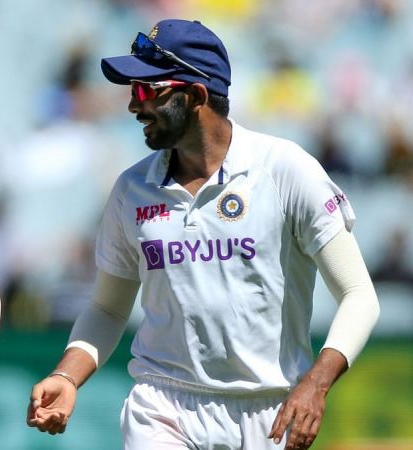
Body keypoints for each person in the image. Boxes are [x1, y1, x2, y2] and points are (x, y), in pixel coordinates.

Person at [26, 19, 379, 450]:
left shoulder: (286, 170)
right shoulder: (130, 189)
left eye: (146, 91)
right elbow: (106, 307)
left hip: (268, 411)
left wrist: (317, 383)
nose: (134, 106)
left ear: (193, 95)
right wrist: (67, 375)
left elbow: (360, 295)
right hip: (163, 405)